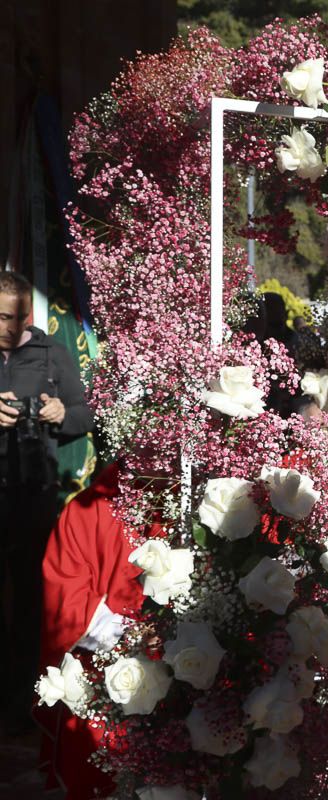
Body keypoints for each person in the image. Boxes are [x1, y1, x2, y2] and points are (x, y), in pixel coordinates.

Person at [0, 271, 94, 733]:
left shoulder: (54, 354)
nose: (8, 326)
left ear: (29, 315)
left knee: (30, 606)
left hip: (33, 500)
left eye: (15, 317)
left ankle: (20, 705)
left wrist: (62, 413)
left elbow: (84, 412)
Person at [36, 462, 143, 799]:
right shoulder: (88, 509)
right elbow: (66, 598)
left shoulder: (196, 503)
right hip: (107, 677)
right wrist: (135, 636)